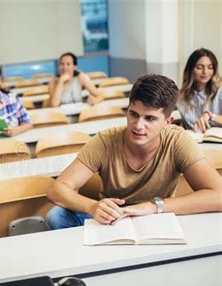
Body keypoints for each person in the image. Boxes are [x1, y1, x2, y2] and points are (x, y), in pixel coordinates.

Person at [46, 74, 221, 229]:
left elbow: (219, 195)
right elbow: (57, 189)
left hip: (156, 215)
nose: (138, 126)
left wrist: (153, 207)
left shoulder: (177, 141)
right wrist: (92, 206)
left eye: (150, 118)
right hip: (112, 218)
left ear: (168, 122)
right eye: (134, 114)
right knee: (56, 216)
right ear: (127, 111)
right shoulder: (105, 141)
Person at [177, 48, 221, 132]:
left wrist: (211, 116)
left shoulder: (220, 92)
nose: (205, 72)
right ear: (191, 70)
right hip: (193, 140)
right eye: (199, 67)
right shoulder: (180, 96)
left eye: (210, 67)